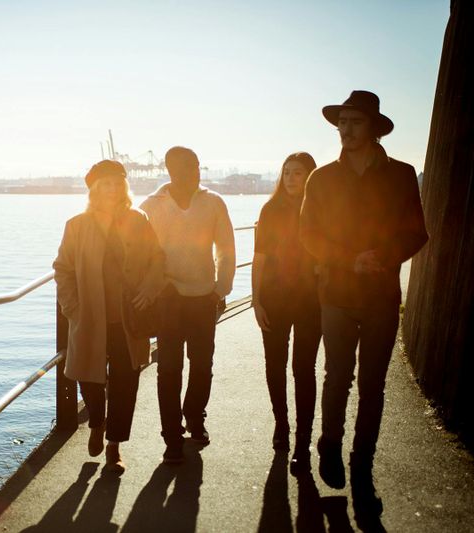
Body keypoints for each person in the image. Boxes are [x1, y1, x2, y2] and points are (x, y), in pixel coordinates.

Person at [300, 91, 428, 512]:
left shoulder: (402, 175)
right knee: (338, 375)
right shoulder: (321, 178)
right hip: (336, 295)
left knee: (373, 384)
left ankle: (362, 464)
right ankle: (330, 444)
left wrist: (384, 259)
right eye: (342, 121)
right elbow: (307, 235)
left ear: (373, 128)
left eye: (354, 122)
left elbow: (417, 233)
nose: (345, 129)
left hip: (380, 297)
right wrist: (348, 260)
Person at [54, 159, 165, 473]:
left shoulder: (138, 219)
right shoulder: (76, 225)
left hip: (128, 319)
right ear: (94, 189)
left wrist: (150, 288)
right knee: (86, 375)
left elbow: (158, 259)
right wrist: (72, 308)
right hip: (89, 316)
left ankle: (114, 447)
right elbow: (62, 269)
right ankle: (97, 422)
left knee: (125, 382)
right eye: (106, 184)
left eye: (118, 183)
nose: (113, 189)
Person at [140, 146, 236, 464]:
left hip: (203, 297)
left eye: (195, 165)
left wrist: (220, 290)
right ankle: (171, 438)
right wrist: (154, 288)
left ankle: (195, 417)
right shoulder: (150, 206)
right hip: (167, 299)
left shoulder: (213, 202)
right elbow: (139, 255)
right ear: (169, 170)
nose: (192, 172)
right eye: (183, 167)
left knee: (202, 363)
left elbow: (226, 248)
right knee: (168, 369)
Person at [252, 152, 321, 473]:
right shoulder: (271, 210)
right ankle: (282, 424)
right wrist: (256, 300)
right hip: (274, 299)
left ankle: (303, 439)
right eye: (288, 173)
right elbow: (260, 258)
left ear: (311, 175)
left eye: (299, 173)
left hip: (311, 301)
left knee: (303, 369)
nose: (292, 178)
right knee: (275, 364)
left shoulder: (320, 210)